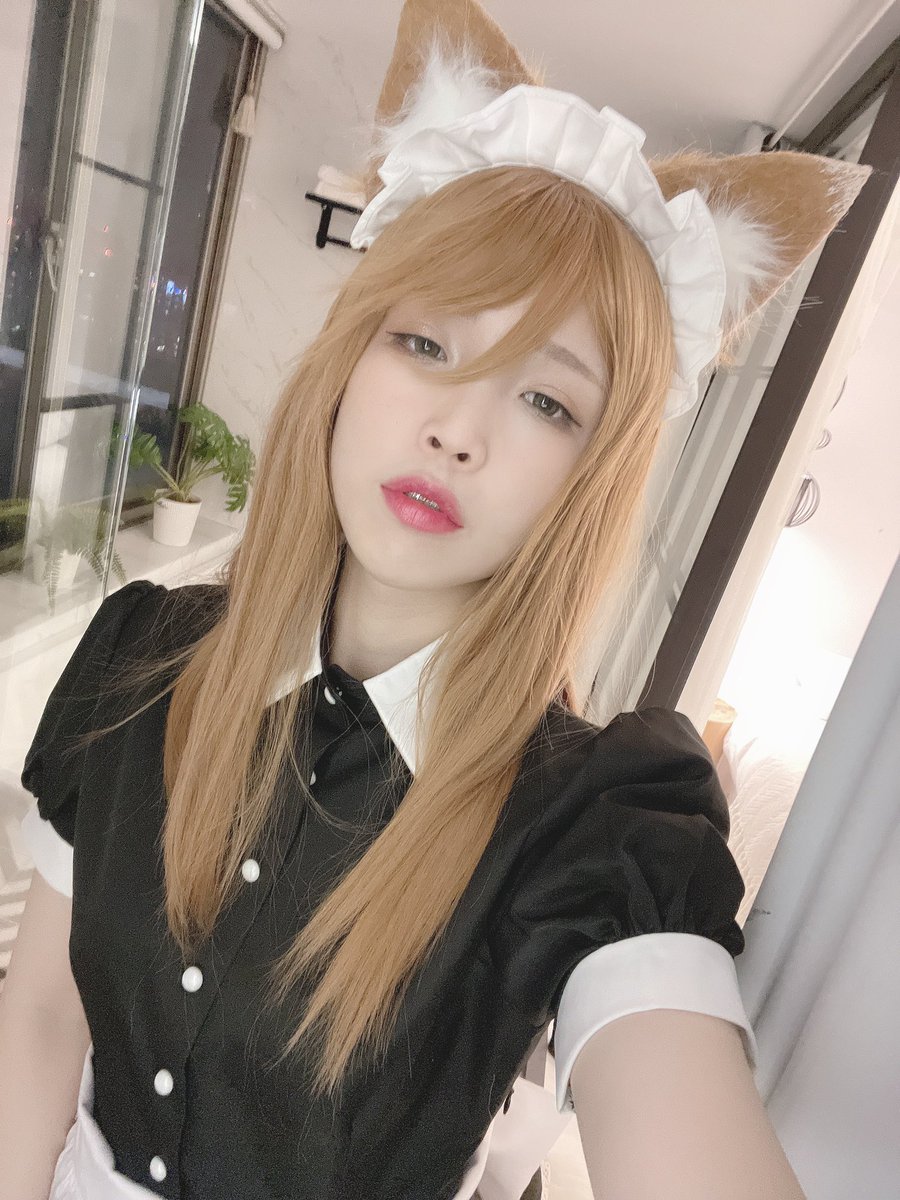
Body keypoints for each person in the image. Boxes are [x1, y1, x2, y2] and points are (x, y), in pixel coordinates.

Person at [0, 2, 872, 1198]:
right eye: (425, 343)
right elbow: (43, 1015)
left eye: (548, 401)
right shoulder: (140, 660)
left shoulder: (593, 825)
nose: (459, 429)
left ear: (592, 476)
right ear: (350, 356)